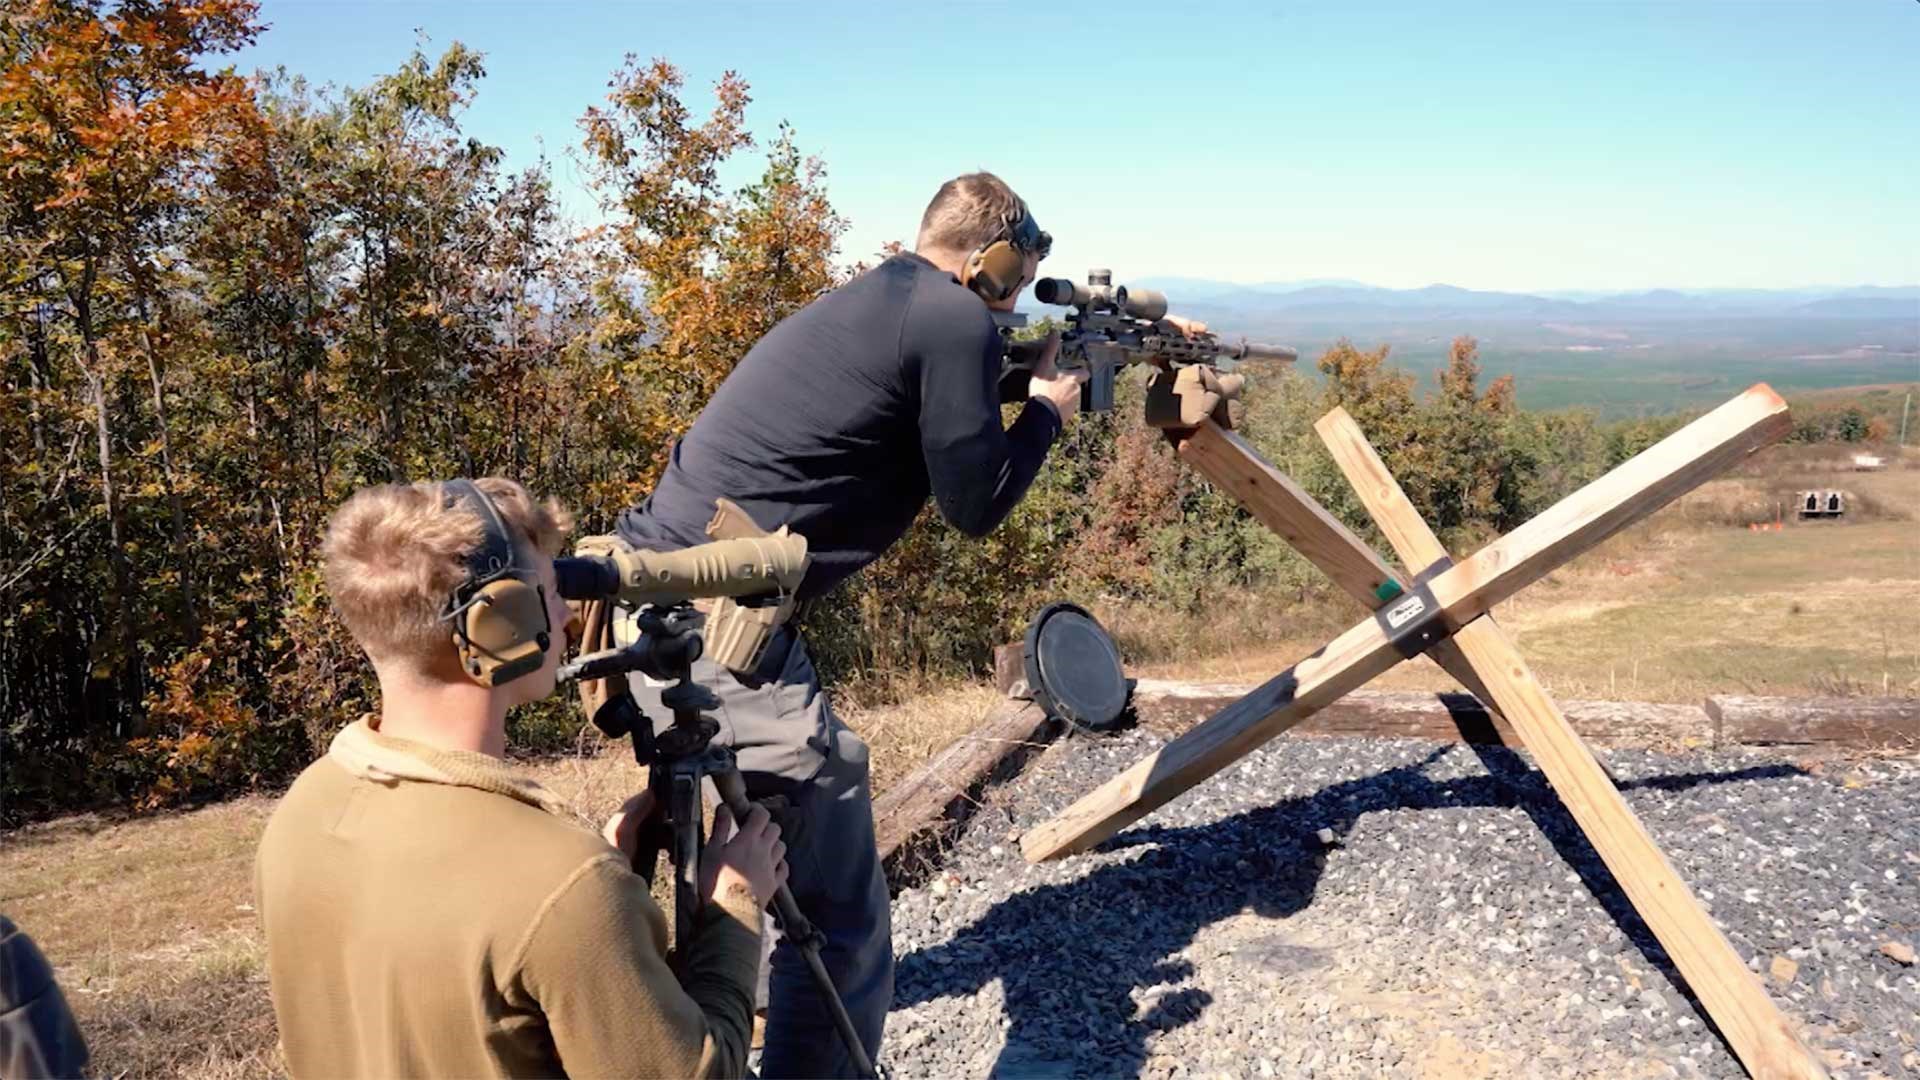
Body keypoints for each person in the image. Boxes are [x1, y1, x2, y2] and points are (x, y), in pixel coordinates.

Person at [614, 171, 1105, 1078]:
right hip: (717, 627)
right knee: (840, 902)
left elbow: (927, 389)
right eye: (1016, 281)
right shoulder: (954, 318)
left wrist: (1023, 369)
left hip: (651, 595)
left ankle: (692, 998)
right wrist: (1044, 412)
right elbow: (977, 504)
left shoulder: (891, 298)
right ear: (992, 263)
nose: (1009, 305)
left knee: (729, 842)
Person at [254, 477, 786, 1079]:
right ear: (496, 622)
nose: (565, 615)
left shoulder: (305, 809)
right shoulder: (563, 887)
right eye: (551, 591)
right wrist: (733, 905)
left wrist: (594, 893)